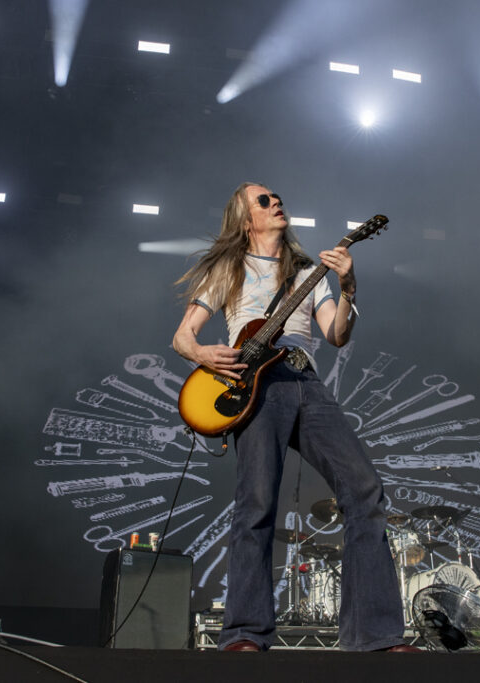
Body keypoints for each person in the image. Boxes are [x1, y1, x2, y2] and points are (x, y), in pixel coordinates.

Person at [172, 182, 413, 652]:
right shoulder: (228, 268)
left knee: (364, 489)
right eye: (262, 200)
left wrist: (348, 286)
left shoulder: (308, 271)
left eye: (276, 196)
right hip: (254, 382)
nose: (274, 202)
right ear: (246, 220)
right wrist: (205, 355)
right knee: (257, 502)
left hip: (305, 380)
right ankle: (245, 633)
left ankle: (376, 636)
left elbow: (337, 335)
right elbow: (182, 337)